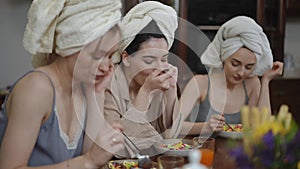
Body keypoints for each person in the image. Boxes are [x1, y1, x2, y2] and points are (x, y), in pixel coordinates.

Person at [0, 0, 125, 168]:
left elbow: (94, 160)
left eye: (110, 56)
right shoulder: (36, 88)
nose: (105, 66)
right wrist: (87, 162)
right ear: (69, 47)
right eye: (97, 56)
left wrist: (97, 92)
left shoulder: (84, 87)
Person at [179, 16, 284, 136]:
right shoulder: (201, 83)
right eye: (235, 64)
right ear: (224, 58)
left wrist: (266, 81)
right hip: (205, 152)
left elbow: (264, 128)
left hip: (240, 153)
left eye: (249, 67)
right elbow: (172, 127)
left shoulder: (252, 84)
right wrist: (205, 127)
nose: (241, 72)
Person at [104, 1, 183, 157]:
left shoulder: (158, 81)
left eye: (164, 59)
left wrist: (171, 91)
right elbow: (113, 148)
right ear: (126, 58)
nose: (159, 67)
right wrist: (145, 92)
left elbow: (170, 138)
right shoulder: (107, 84)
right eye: (149, 60)